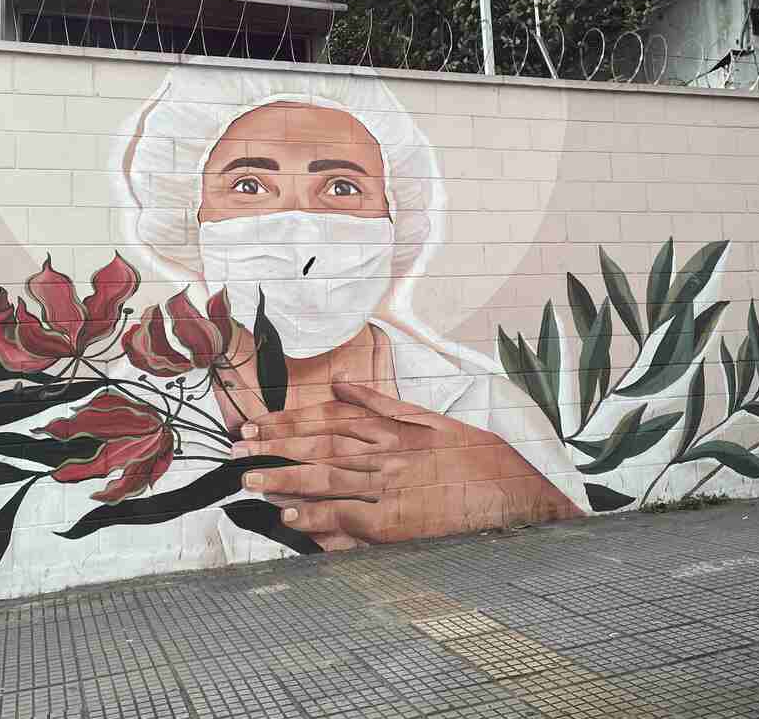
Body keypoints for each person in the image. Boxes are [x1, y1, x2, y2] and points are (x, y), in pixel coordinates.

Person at [121, 70, 586, 562]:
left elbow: (582, 571)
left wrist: (518, 499)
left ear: (395, 221)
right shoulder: (124, 417)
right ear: (190, 217)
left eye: (342, 188)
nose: (300, 233)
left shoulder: (482, 406)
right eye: (250, 185)